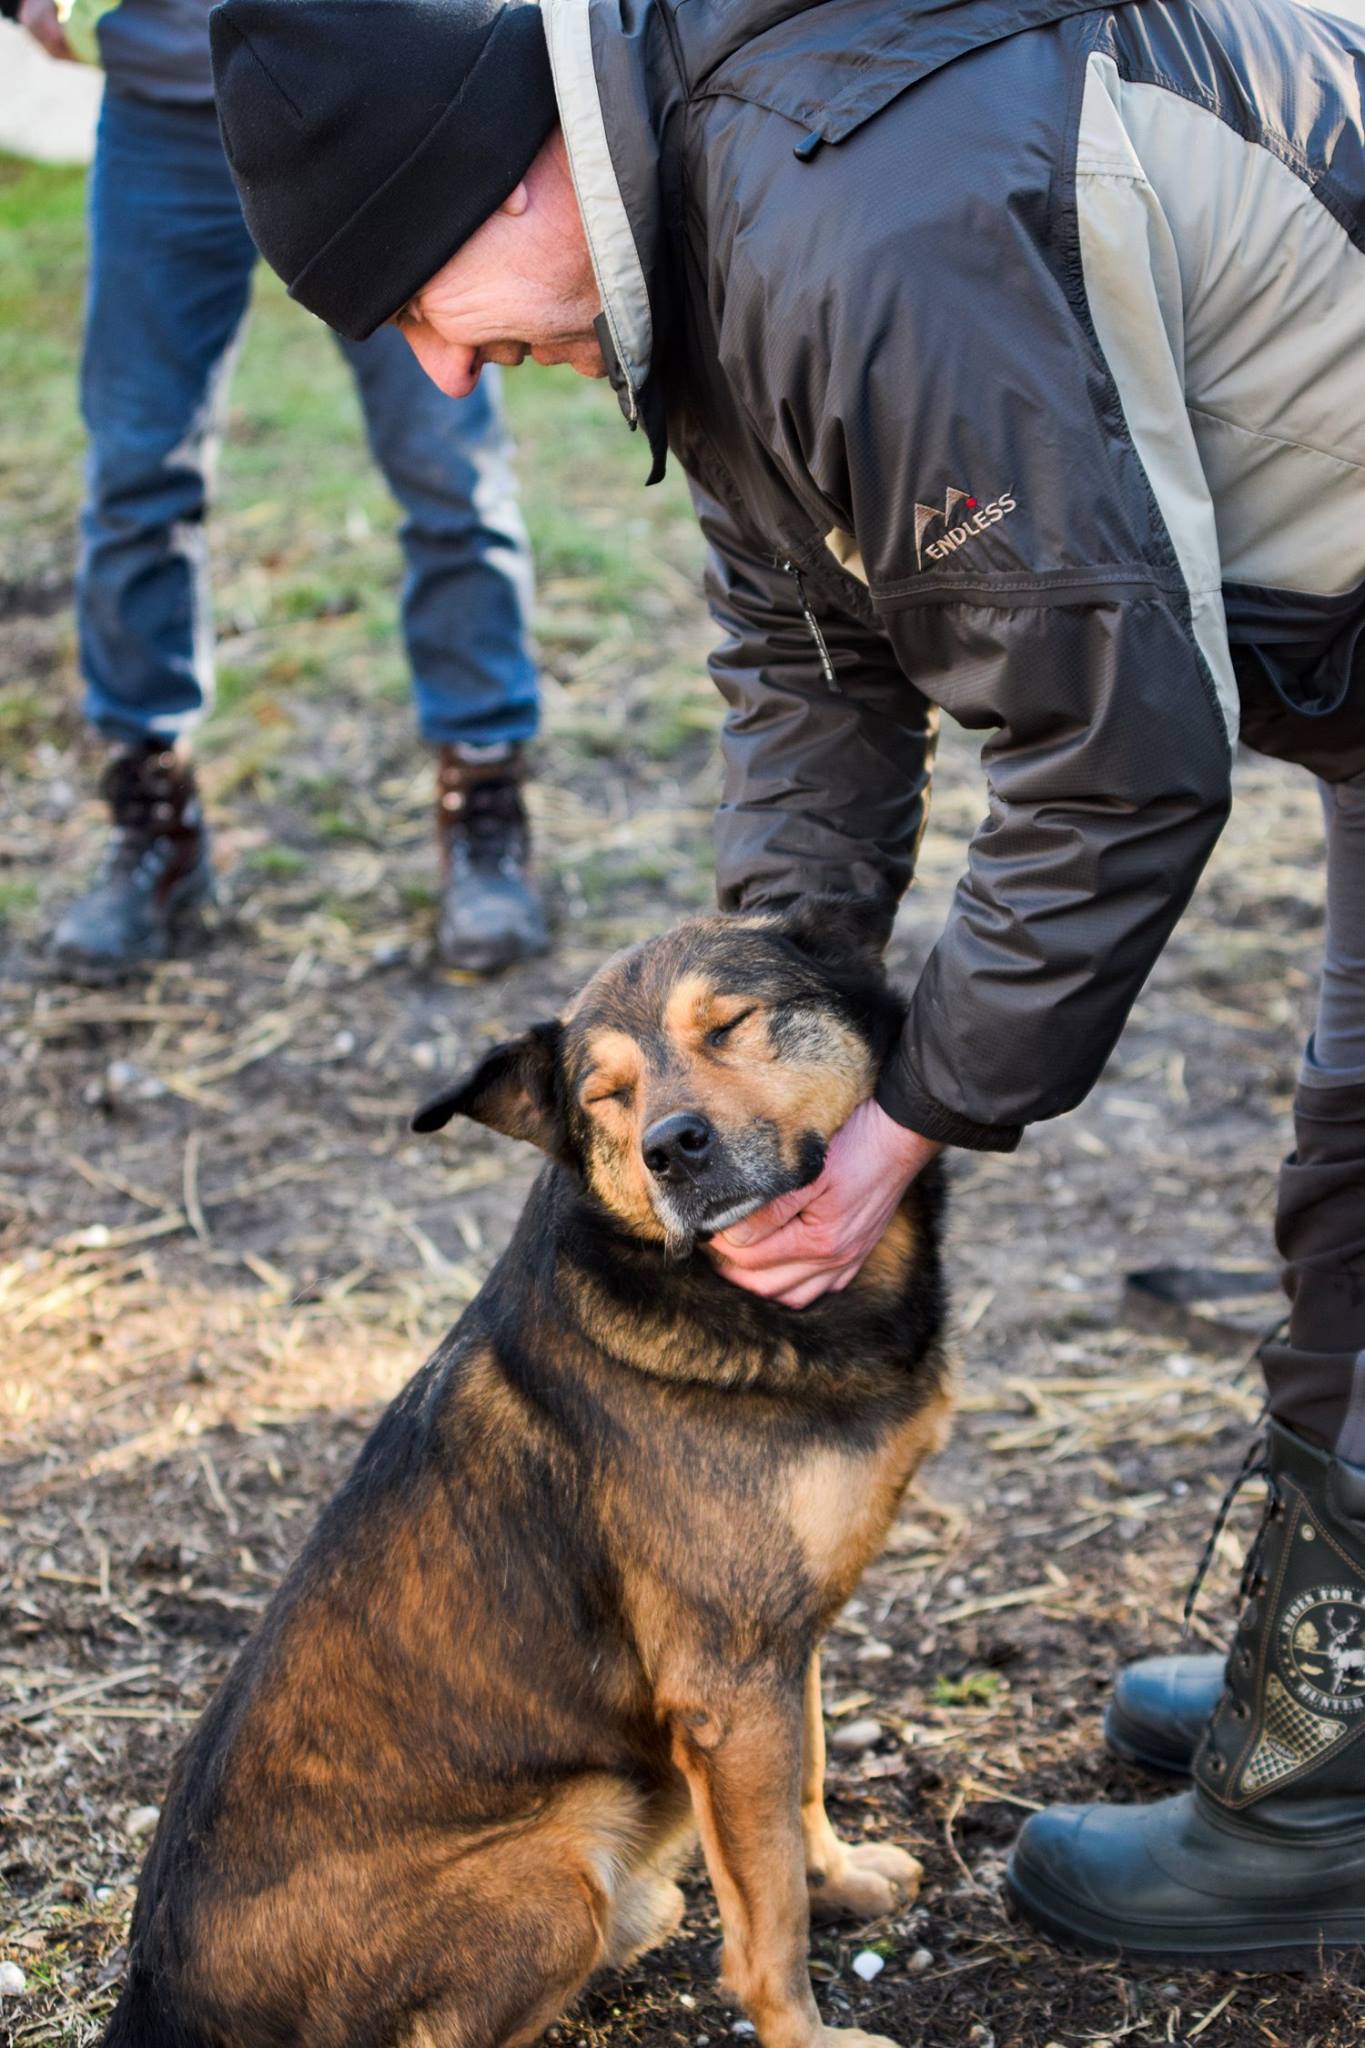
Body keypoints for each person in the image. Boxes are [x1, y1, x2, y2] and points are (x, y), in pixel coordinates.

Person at [208, 0, 1365, 1968]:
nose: (441, 367)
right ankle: (1340, 1674)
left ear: (507, 177)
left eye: (412, 298)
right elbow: (812, 664)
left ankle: (1320, 1797)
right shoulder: (716, 219)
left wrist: (909, 1114)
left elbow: (1114, 755)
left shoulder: (856, 229)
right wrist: (759, 1046)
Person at [5, 0, 549, 980]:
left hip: (377, 83)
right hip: (167, 101)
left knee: (446, 464)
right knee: (135, 469)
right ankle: (153, 815)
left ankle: (483, 794)